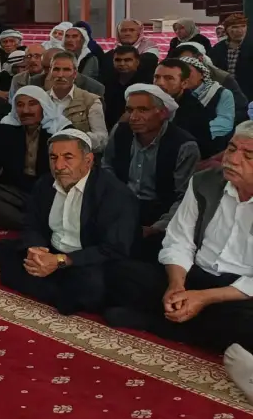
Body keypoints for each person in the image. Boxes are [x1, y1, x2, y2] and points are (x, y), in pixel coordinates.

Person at [106, 123, 253, 397]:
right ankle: (190, 322)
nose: (232, 159)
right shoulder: (205, 181)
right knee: (122, 273)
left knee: (245, 321)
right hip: (194, 276)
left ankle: (158, 321)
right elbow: (179, 239)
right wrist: (177, 286)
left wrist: (204, 298)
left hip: (239, 294)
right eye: (231, 148)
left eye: (249, 155)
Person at [0, 130, 137, 315]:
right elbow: (32, 224)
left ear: (88, 160)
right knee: (5, 250)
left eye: (68, 157)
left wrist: (62, 261)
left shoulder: (114, 194)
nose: (59, 166)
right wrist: (37, 250)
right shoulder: (45, 185)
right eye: (53, 158)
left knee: (92, 284)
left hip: (86, 260)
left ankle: (56, 288)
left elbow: (114, 249)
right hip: (53, 251)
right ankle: (58, 290)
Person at [101, 84, 198, 260]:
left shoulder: (184, 145)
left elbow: (184, 197)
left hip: (160, 213)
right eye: (130, 110)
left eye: (143, 110)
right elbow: (107, 169)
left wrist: (157, 227)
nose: (134, 117)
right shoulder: (121, 132)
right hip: (121, 204)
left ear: (163, 113)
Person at [0, 86, 68, 229]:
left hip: (51, 191)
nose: (25, 111)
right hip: (17, 191)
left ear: (43, 106)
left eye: (32, 104)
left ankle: (32, 221)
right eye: (20, 105)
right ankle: (35, 224)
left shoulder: (62, 130)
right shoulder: (8, 128)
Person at [154, 58, 216, 157]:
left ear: (184, 83)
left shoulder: (195, 112)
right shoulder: (147, 100)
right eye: (157, 77)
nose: (160, 83)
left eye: (169, 78)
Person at [46, 51, 108, 151]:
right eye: (56, 69)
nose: (60, 75)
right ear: (50, 72)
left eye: (66, 70)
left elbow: (102, 139)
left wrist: (76, 139)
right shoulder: (40, 99)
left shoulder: (91, 101)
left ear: (75, 74)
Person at [179, 54, 235, 152]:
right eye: (180, 73)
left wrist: (194, 134)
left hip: (212, 147)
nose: (184, 76)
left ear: (201, 74)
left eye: (188, 71)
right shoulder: (176, 94)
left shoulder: (221, 93)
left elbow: (225, 123)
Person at [101, 44, 153, 125]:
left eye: (127, 60)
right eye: (118, 60)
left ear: (137, 62)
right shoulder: (106, 80)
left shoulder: (147, 84)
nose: (122, 63)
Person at [212, 13, 253, 96]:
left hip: (247, 94)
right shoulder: (218, 48)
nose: (240, 30)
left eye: (243, 26)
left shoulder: (250, 47)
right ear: (227, 29)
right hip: (223, 92)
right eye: (234, 27)